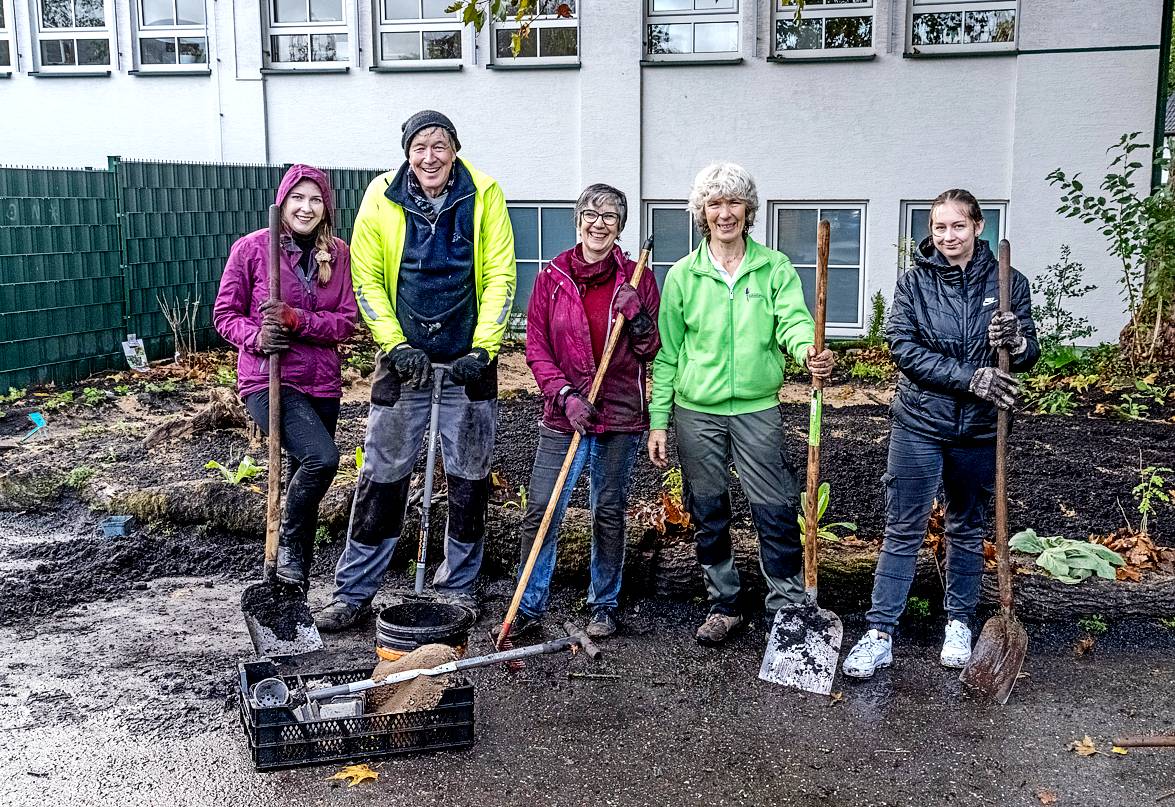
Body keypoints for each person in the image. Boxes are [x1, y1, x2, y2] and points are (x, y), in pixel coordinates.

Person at [317, 110, 516, 631]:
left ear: (455, 149)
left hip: (468, 362)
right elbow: (366, 276)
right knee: (382, 476)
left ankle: (459, 587)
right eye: (420, 147)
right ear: (407, 152)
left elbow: (499, 272)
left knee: (469, 478)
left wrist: (484, 349)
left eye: (440, 146)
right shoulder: (380, 196)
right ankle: (355, 591)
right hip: (401, 362)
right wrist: (395, 343)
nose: (430, 157)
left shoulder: (484, 192)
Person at [842, 189, 1039, 679]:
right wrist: (970, 376)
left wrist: (1017, 340)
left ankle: (958, 622)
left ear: (977, 227)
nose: (948, 236)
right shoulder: (914, 283)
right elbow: (903, 349)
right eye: (939, 227)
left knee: (966, 526)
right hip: (920, 422)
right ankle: (880, 631)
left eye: (957, 226)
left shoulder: (1009, 282)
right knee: (903, 527)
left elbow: (1030, 349)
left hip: (979, 427)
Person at [648, 162, 835, 647]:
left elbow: (793, 323)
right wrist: (660, 421)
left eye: (734, 203)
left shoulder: (773, 268)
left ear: (748, 210)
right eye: (714, 204)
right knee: (708, 509)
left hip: (756, 409)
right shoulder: (683, 277)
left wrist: (808, 351)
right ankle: (724, 603)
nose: (724, 213)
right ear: (702, 213)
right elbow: (667, 355)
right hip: (697, 411)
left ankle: (786, 606)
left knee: (774, 508)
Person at [501, 183, 660, 641]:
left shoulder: (636, 278)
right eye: (590, 213)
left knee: (608, 510)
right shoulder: (553, 276)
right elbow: (536, 346)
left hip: (619, 415)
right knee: (541, 509)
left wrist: (641, 317)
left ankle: (604, 604)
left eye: (609, 216)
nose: (598, 222)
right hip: (563, 412)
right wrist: (565, 395)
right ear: (578, 220)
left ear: (621, 227)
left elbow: (650, 348)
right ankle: (528, 604)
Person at [213, 164, 357, 592]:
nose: (306, 208)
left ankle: (291, 593)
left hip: (323, 383)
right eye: (298, 198)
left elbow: (346, 322)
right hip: (268, 380)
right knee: (322, 459)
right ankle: (290, 551)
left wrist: (299, 321)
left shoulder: (339, 253)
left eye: (315, 200)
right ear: (283, 201)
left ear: (326, 207)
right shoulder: (253, 249)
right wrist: (257, 337)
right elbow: (224, 315)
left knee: (304, 479)